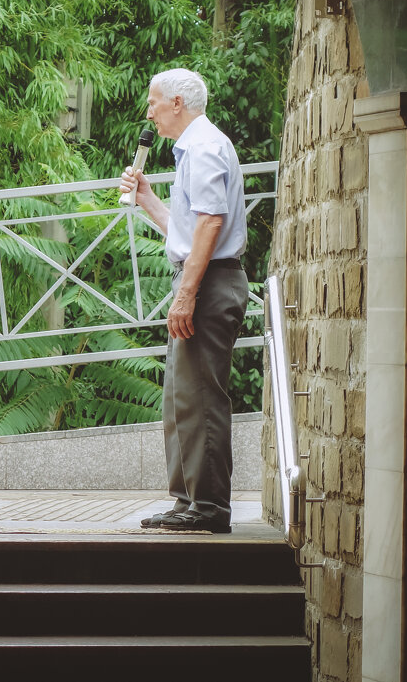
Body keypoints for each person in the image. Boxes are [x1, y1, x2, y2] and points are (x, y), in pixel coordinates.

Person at [119, 68, 248, 533]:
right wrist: (147, 199)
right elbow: (188, 230)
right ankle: (188, 501)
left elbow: (212, 224)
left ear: (177, 103)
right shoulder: (192, 149)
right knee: (181, 398)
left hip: (209, 283)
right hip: (201, 278)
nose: (149, 112)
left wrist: (187, 293)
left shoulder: (204, 146)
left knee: (200, 398)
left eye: (153, 102)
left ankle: (209, 508)